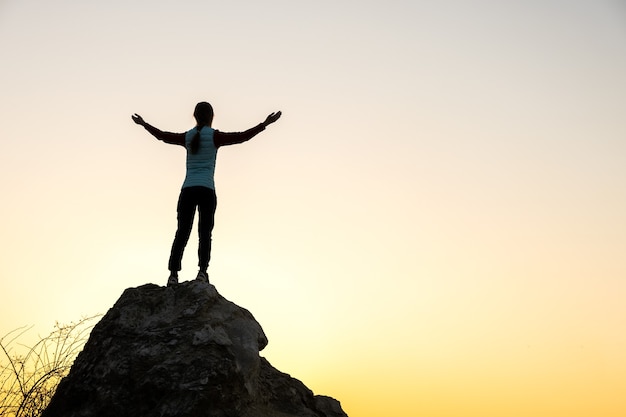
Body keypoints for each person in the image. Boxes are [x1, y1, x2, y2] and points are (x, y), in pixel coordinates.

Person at [132, 102, 282, 286]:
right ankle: (202, 272)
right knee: (205, 233)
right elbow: (242, 137)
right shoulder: (215, 137)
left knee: (182, 232)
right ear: (212, 116)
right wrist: (265, 124)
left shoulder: (188, 137)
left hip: (188, 190)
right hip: (207, 191)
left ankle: (173, 275)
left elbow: (163, 136)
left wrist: (144, 124)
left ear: (194, 116)